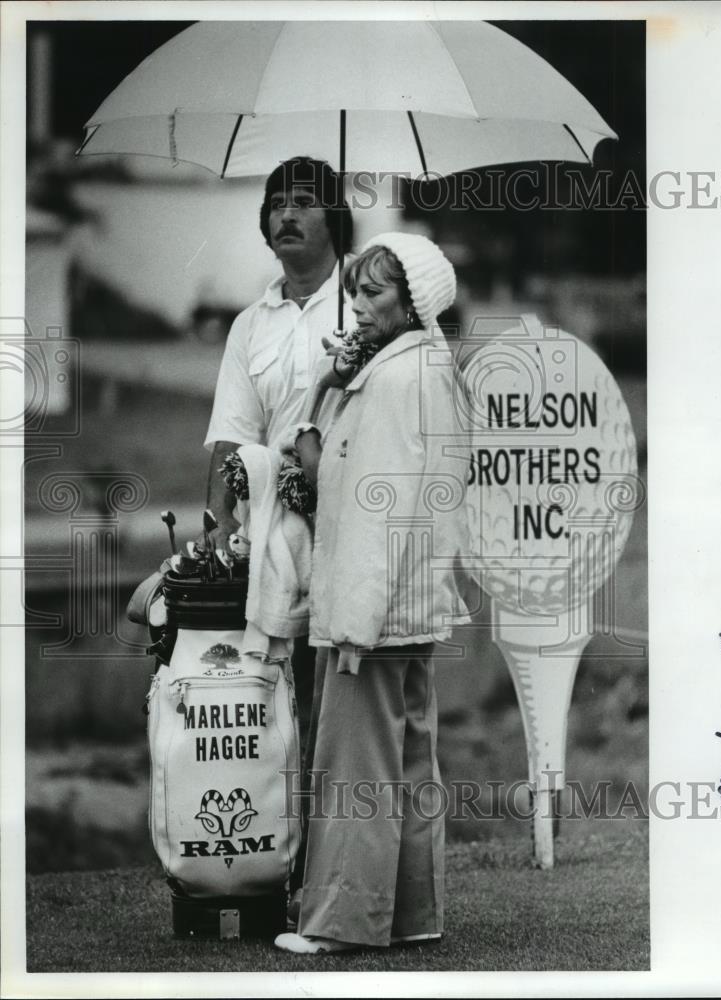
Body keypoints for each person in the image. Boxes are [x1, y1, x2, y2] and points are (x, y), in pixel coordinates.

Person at [274, 232, 470, 955]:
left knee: (356, 765)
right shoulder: (415, 370)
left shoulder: (397, 380)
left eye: (373, 291)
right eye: (355, 289)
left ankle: (340, 924)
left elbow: (376, 513)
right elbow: (335, 476)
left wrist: (352, 623)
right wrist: (327, 384)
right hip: (407, 605)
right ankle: (412, 915)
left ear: (413, 302)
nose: (356, 303)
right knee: (409, 760)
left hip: (374, 610)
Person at [203, 155, 353, 900]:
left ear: (335, 220)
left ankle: (347, 875)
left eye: (305, 202)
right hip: (277, 539)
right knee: (282, 706)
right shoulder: (249, 325)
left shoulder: (365, 307)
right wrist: (221, 532)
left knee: (346, 709)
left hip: (357, 534)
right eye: (276, 204)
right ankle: (284, 871)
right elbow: (231, 440)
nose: (287, 215)